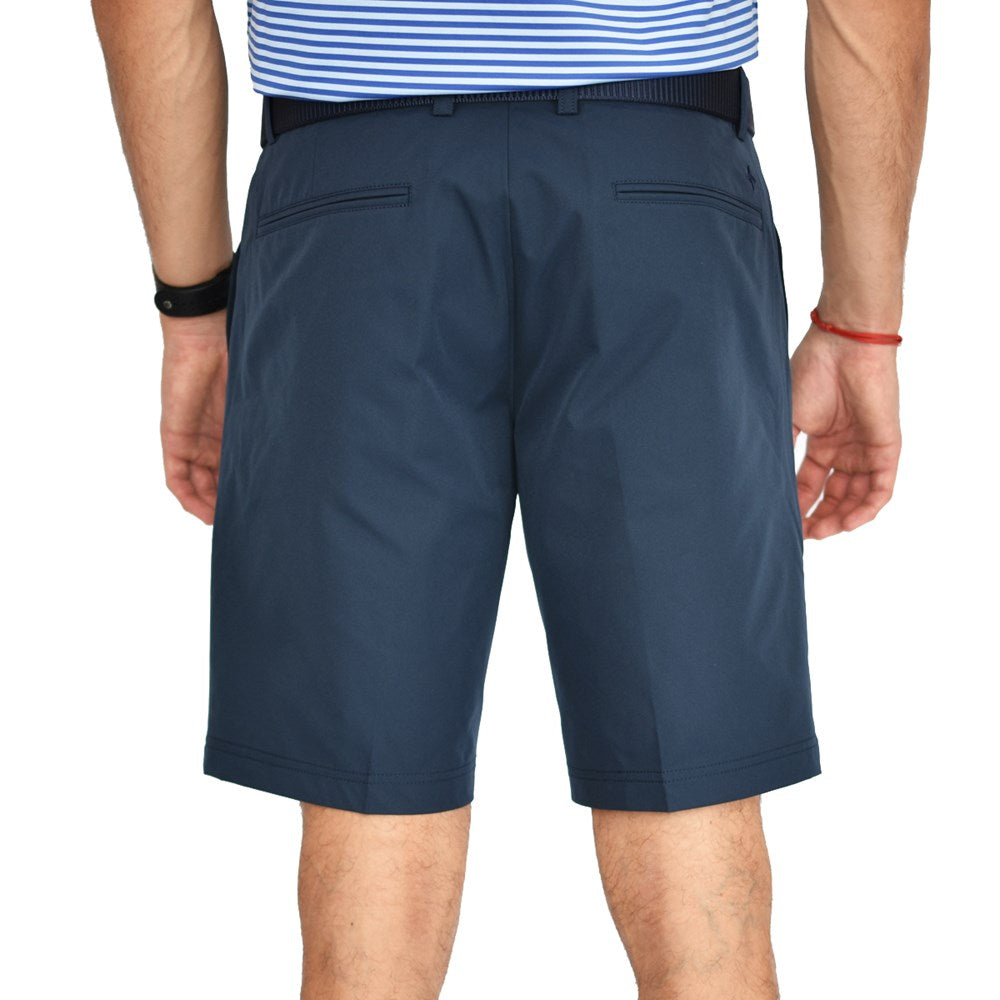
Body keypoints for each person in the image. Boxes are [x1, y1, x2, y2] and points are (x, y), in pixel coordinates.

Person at [92, 1, 930, 996]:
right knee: (690, 795)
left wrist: (194, 307)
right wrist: (863, 325)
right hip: (657, 190)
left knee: (371, 803)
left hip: (355, 207)